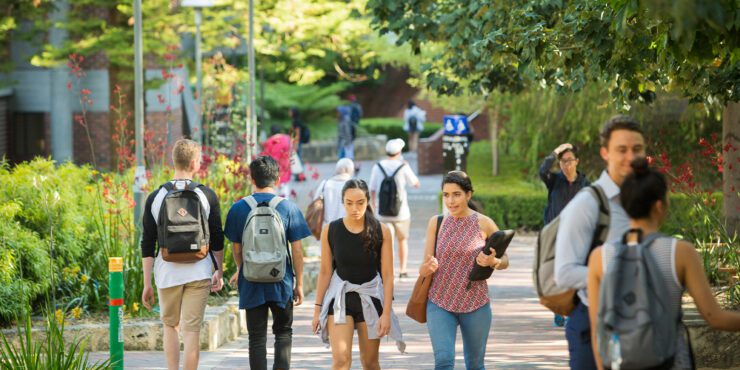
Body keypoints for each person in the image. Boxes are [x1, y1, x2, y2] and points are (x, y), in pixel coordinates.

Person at [587, 158, 740, 370]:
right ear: (659, 206)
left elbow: (598, 329)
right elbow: (714, 317)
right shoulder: (680, 252)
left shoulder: (600, 257)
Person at [554, 115, 646, 370]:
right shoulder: (587, 204)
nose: (630, 156)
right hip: (591, 322)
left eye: (637, 149)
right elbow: (563, 273)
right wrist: (618, 273)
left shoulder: (644, 201)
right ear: (605, 153)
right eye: (621, 150)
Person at [140, 138, 225, 370]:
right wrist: (219, 269)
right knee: (191, 332)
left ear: (173, 161)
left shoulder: (156, 197)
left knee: (171, 326)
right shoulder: (206, 195)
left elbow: (147, 243)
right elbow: (217, 238)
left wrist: (147, 282)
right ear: (195, 163)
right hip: (199, 270)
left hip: (167, 272)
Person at [224, 155, 311, 370]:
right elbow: (297, 250)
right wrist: (299, 283)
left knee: (256, 338)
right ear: (278, 179)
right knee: (283, 333)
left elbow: (236, 248)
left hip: (251, 280)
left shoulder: (238, 209)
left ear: (251, 179)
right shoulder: (289, 208)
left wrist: (241, 269)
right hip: (280, 279)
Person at [419, 171, 509, 370]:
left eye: (456, 194)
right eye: (446, 195)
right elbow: (424, 266)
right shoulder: (437, 222)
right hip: (440, 302)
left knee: (475, 365)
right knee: (443, 361)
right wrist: (425, 268)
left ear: (468, 195)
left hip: (476, 304)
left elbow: (505, 261)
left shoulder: (484, 223)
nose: (450, 201)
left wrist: (492, 261)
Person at [312, 179, 405, 370]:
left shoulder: (382, 231)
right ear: (343, 202)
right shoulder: (330, 230)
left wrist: (386, 313)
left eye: (360, 202)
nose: (354, 208)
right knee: (340, 360)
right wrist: (317, 310)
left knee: (370, 363)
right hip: (340, 298)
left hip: (369, 297)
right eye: (349, 203)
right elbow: (325, 272)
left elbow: (388, 275)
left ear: (368, 201)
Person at [539, 143, 590, 327]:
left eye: (569, 161)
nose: (566, 165)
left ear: (577, 162)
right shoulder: (554, 180)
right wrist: (555, 152)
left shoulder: (585, 184)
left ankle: (571, 310)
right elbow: (542, 170)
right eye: (562, 161)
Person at [368, 138, 420, 279]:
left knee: (386, 243)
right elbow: (416, 184)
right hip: (401, 213)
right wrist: (407, 166)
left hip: (382, 213)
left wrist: (375, 205)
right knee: (402, 240)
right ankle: (402, 270)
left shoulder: (377, 166)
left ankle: (387, 270)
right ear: (399, 152)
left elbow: (372, 189)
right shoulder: (403, 166)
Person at [312, 158, 355, 227]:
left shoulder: (325, 184)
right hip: (348, 228)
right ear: (349, 171)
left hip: (327, 228)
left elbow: (315, 204)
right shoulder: (354, 186)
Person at [261, 125, 292, 197]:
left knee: (274, 189)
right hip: (285, 166)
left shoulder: (269, 141)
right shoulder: (287, 138)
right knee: (284, 188)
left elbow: (265, 155)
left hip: (273, 167)